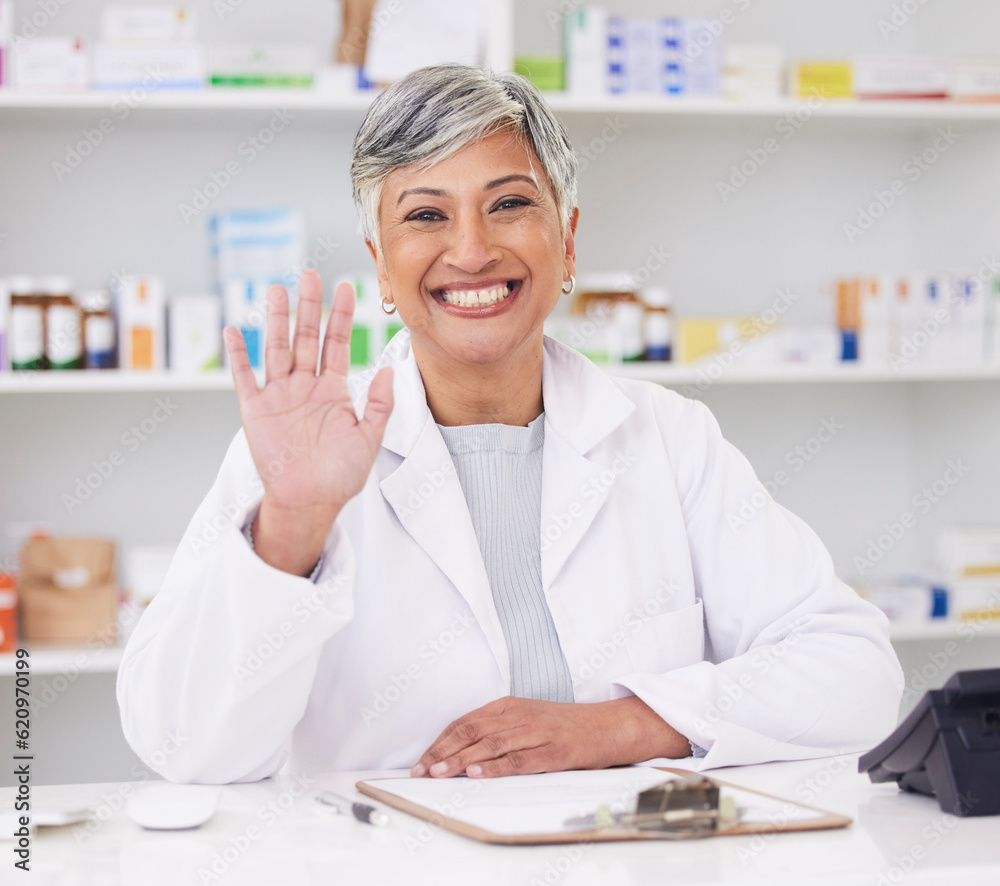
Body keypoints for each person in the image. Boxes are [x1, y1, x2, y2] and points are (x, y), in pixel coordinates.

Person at [117, 64, 903, 785]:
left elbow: (855, 672)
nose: (472, 249)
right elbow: (185, 747)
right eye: (426, 214)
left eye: (510, 204)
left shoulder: (667, 437)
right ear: (382, 265)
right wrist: (293, 526)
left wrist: (622, 726)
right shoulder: (302, 452)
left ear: (566, 243)